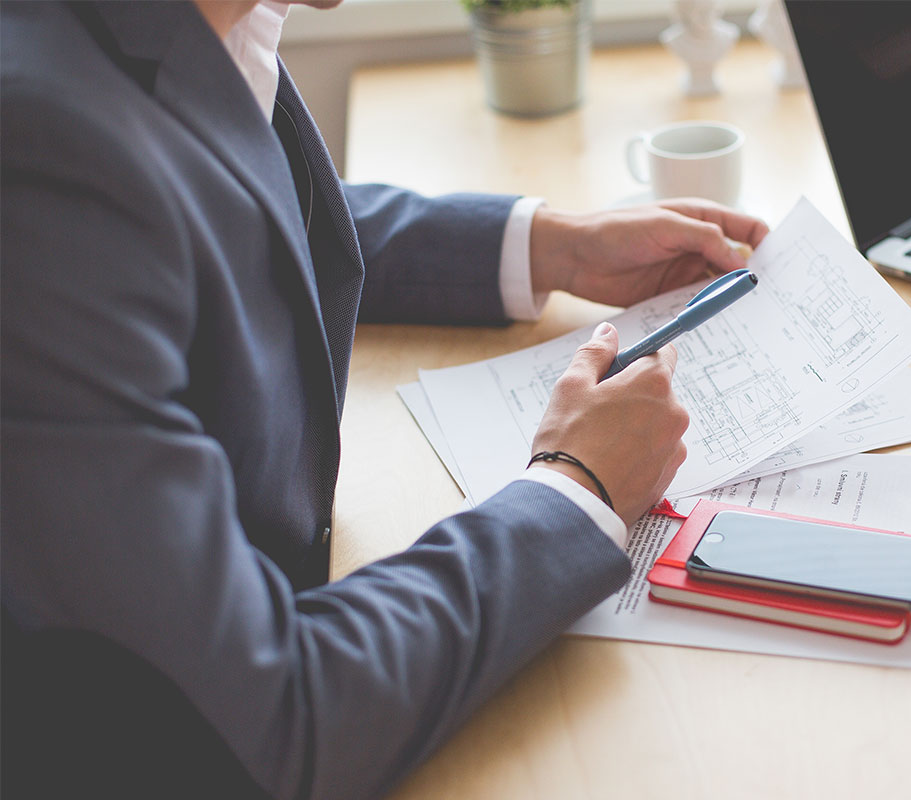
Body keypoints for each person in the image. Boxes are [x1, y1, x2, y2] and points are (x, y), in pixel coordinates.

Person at [0, 1, 769, 798]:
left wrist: (547, 246)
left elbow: (216, 209)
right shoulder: (39, 157)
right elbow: (274, 716)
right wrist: (579, 489)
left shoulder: (193, 27)